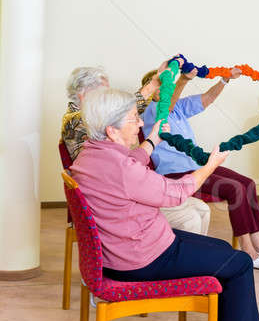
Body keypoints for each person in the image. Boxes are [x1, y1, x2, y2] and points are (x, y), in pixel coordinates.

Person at [70, 87, 259, 321]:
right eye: (133, 119)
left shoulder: (92, 154)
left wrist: (153, 138)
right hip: (143, 260)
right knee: (240, 263)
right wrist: (210, 165)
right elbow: (177, 193)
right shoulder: (121, 168)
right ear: (112, 130)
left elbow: (133, 162)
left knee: (220, 250)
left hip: (130, 250)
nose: (140, 123)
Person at [140, 67, 259, 270]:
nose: (168, 89)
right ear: (153, 91)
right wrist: (183, 79)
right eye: (163, 86)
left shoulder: (178, 108)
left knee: (248, 183)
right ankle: (248, 252)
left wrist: (225, 80)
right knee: (235, 188)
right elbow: (170, 101)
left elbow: (207, 99)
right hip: (174, 174)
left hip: (195, 166)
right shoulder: (152, 111)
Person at [62, 64, 211, 236]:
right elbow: (120, 113)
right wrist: (210, 166)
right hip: (113, 204)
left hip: (117, 188)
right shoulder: (76, 120)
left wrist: (153, 138)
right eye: (106, 95)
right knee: (189, 216)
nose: (112, 100)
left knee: (201, 209)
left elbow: (124, 114)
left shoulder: (93, 119)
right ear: (83, 95)